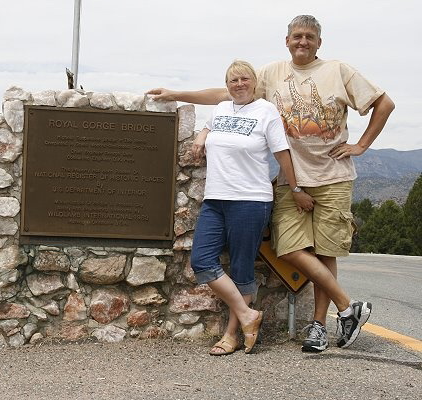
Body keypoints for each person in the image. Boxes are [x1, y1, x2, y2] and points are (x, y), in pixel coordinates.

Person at [148, 15, 395, 352]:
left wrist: (362, 145)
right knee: (290, 248)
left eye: (309, 37)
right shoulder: (273, 73)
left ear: (319, 42)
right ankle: (349, 306)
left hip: (332, 176)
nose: (302, 42)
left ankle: (319, 327)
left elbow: (385, 103)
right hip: (288, 180)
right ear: (287, 40)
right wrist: (177, 92)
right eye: (297, 36)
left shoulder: (339, 70)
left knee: (325, 252)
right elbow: (228, 92)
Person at [192, 60, 312, 356]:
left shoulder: (265, 111)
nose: (239, 84)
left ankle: (231, 334)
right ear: (227, 84)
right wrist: (201, 135)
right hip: (215, 199)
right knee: (202, 260)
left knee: (242, 268)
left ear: (255, 83)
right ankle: (248, 315)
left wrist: (295, 189)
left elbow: (282, 153)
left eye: (245, 79)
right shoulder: (220, 109)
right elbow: (209, 128)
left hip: (251, 200)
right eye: (233, 80)